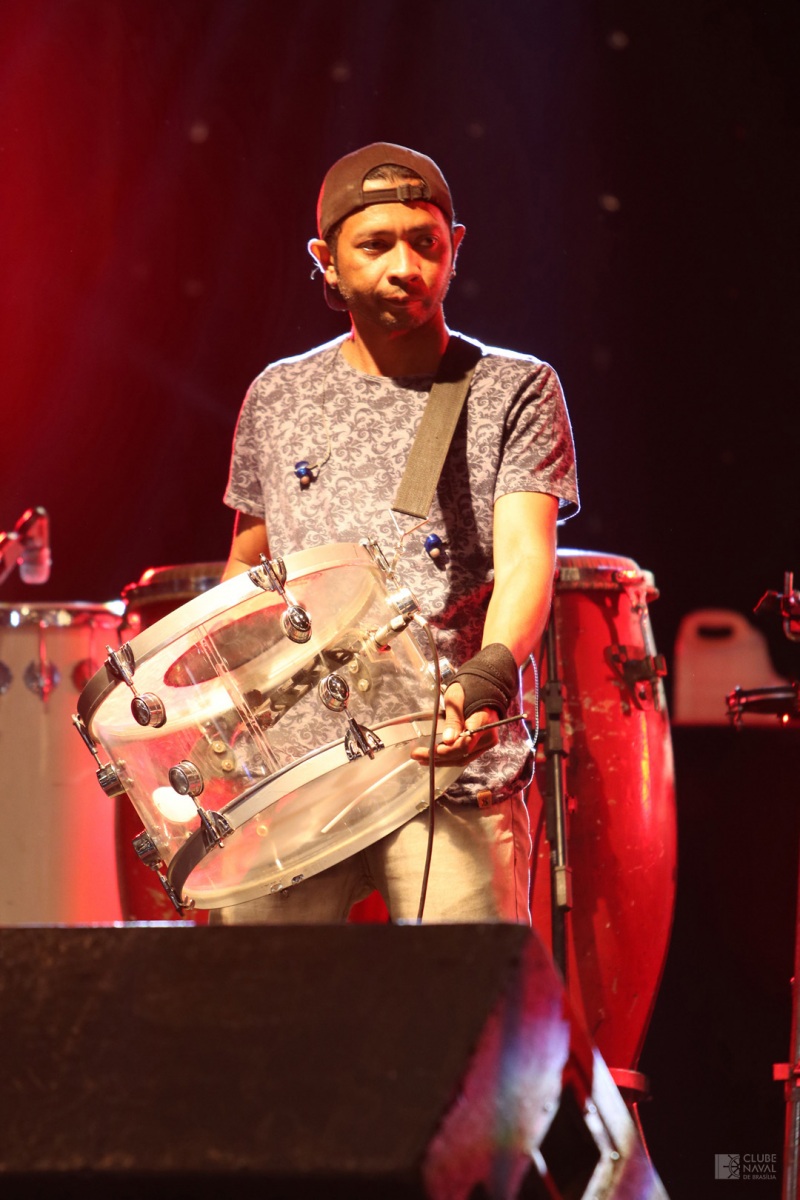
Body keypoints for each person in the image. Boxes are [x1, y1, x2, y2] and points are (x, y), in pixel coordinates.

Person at [210, 142, 578, 926]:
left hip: (447, 757)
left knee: (461, 1003)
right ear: (326, 260)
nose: (405, 267)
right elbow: (249, 563)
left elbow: (526, 560)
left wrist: (486, 682)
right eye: (376, 246)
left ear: (456, 248)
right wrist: (215, 702)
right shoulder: (278, 395)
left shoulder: (516, 388)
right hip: (296, 771)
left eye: (426, 243)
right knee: (253, 1002)